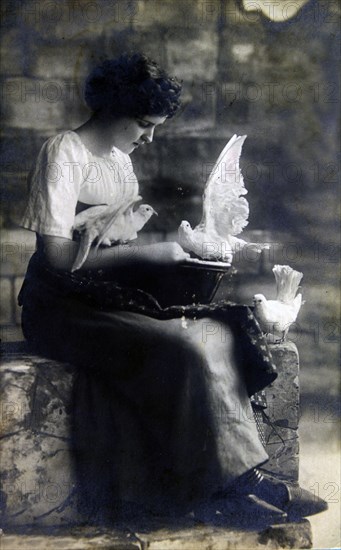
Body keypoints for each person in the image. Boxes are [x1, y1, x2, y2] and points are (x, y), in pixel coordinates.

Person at [18, 53, 327, 524]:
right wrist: (152, 253)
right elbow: (60, 261)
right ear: (111, 109)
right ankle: (225, 489)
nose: (150, 136)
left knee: (215, 335)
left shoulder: (121, 163)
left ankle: (241, 481)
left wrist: (175, 253)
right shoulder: (65, 153)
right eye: (143, 123)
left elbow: (112, 242)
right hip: (60, 305)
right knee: (180, 345)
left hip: (108, 294)